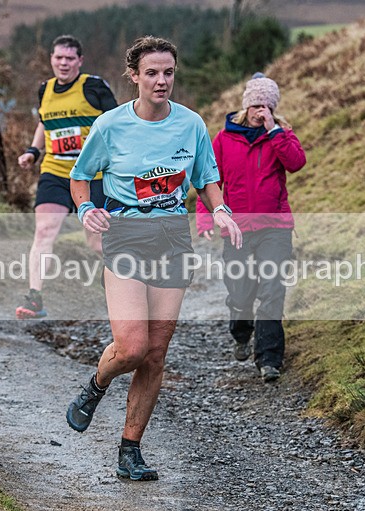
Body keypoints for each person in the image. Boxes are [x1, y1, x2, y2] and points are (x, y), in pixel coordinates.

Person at [64, 36, 242, 481]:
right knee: (132, 347)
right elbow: (80, 177)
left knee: (156, 355)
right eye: (152, 73)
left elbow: (207, 178)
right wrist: (87, 210)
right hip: (124, 233)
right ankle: (96, 385)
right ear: (135, 77)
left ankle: (130, 449)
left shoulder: (191, 124)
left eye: (168, 73)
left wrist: (220, 210)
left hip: (171, 236)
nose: (162, 81)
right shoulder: (110, 126)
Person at [196, 74, 306, 382]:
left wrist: (274, 131)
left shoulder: (282, 134)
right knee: (241, 291)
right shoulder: (223, 139)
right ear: (247, 106)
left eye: (267, 107)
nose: (261, 112)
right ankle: (241, 332)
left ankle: (269, 359)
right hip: (237, 228)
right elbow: (208, 181)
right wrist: (206, 217)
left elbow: (296, 163)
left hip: (276, 226)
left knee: (272, 289)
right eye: (256, 105)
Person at [16, 34, 118, 319]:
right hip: (56, 172)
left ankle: (122, 280)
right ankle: (34, 298)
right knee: (44, 231)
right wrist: (33, 151)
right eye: (58, 57)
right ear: (51, 59)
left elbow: (117, 123)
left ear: (79, 61)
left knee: (97, 242)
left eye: (69, 58)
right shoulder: (44, 90)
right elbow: (44, 124)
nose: (63, 63)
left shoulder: (94, 87)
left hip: (92, 176)